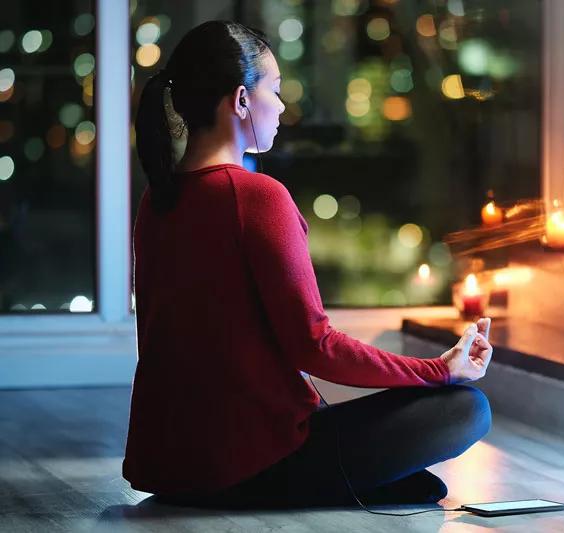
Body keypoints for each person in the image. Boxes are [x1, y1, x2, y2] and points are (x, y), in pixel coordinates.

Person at [124, 20, 493, 509]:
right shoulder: (256, 197)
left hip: (172, 466)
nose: (281, 107)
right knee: (467, 409)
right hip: (251, 461)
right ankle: (317, 485)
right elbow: (314, 346)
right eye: (274, 91)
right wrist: (439, 369)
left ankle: (345, 482)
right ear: (239, 100)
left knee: (417, 477)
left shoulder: (157, 200)